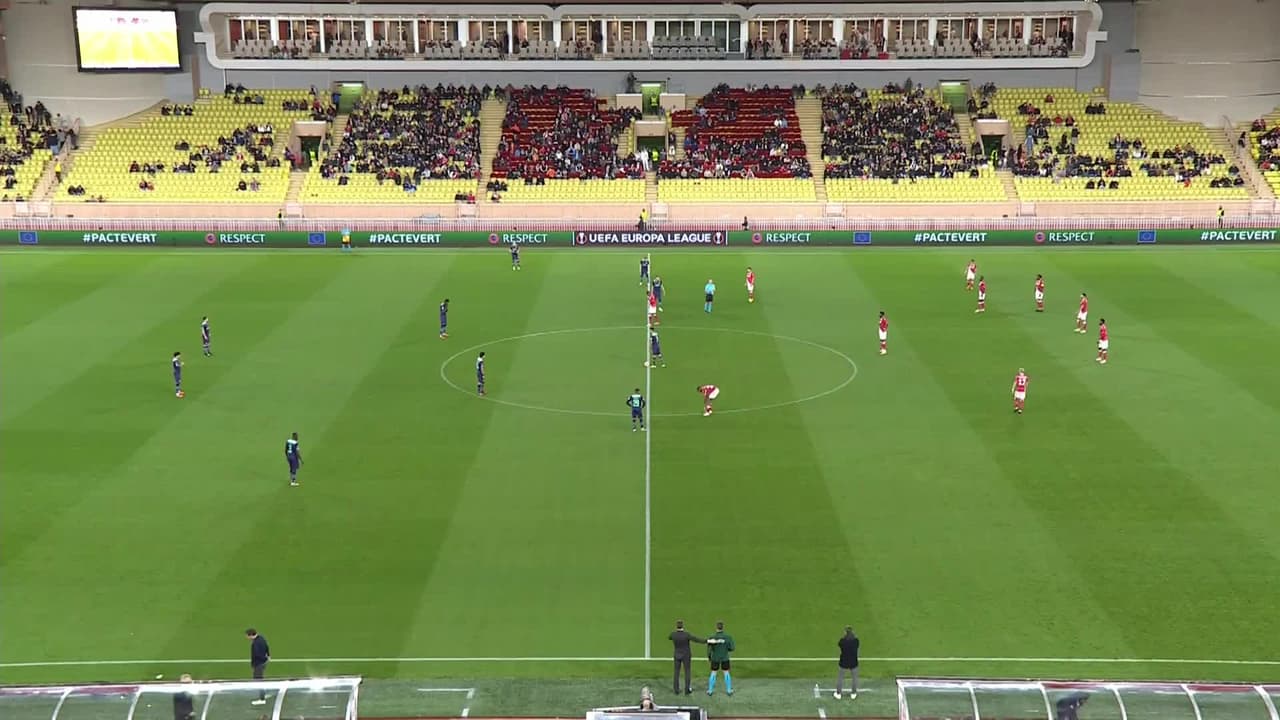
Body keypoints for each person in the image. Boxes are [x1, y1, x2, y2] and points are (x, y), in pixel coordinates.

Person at [669, 620, 704, 695]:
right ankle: (687, 690)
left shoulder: (673, 634)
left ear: (676, 626)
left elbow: (669, 637)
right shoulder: (686, 635)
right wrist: (706, 641)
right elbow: (696, 639)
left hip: (677, 655)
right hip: (686, 655)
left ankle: (676, 690)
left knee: (676, 672)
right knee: (687, 671)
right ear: (682, 626)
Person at [705, 621, 735, 696]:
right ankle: (728, 690)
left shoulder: (712, 637)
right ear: (723, 628)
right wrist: (726, 649)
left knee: (713, 673)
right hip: (725, 657)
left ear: (716, 628)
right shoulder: (728, 637)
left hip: (715, 658)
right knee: (726, 673)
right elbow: (732, 648)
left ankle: (710, 690)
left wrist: (709, 657)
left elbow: (709, 650)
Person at [245, 628, 270, 704]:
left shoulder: (255, 643)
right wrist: (268, 656)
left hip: (258, 664)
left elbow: (257, 655)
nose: (247, 638)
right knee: (260, 679)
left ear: (251, 635)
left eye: (247, 636)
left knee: (258, 680)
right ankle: (263, 694)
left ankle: (262, 699)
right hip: (263, 662)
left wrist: (256, 662)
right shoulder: (261, 638)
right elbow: (266, 646)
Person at [835, 626, 860, 699]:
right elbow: (857, 643)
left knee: (840, 678)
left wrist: (844, 637)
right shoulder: (856, 641)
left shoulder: (843, 641)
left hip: (844, 662)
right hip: (853, 662)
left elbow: (839, 644)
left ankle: (838, 693)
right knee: (854, 678)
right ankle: (853, 693)